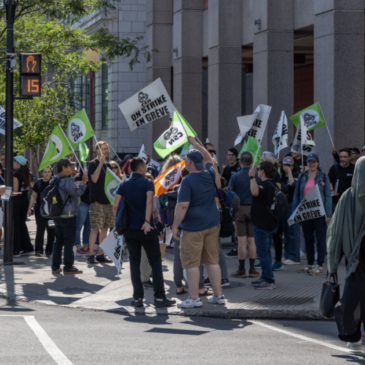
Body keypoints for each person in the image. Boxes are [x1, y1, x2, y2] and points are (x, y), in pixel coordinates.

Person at [113, 157, 175, 308]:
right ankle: (159, 297)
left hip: (129, 229)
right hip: (145, 228)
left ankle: (137, 298)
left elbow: (115, 206)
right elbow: (149, 202)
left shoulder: (124, 184)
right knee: (155, 261)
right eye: (145, 166)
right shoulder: (147, 182)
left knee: (134, 262)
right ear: (140, 168)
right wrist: (147, 222)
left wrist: (120, 225)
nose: (146, 168)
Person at [173, 136, 225, 308]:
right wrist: (196, 144)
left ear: (189, 162)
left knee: (192, 263)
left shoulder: (187, 180)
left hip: (193, 227)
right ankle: (218, 296)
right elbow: (209, 159)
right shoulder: (210, 173)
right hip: (212, 223)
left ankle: (194, 299)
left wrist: (175, 226)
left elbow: (182, 206)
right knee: (212, 261)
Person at [327, 157, 365, 351]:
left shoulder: (348, 197)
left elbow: (335, 235)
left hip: (355, 260)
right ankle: (355, 336)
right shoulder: (348, 197)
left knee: (354, 297)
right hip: (357, 259)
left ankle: (354, 336)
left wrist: (332, 262)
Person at [293, 153, 332, 276]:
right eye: (309, 162)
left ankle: (319, 265)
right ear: (307, 163)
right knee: (308, 239)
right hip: (305, 213)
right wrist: (296, 212)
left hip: (319, 213)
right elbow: (297, 196)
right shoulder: (301, 176)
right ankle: (310, 264)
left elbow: (327, 197)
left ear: (318, 163)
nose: (311, 164)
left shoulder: (324, 177)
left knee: (320, 240)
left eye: (314, 161)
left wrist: (328, 214)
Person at [50, 158, 87, 274]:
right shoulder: (67, 180)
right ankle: (68, 266)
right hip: (68, 214)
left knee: (58, 241)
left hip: (57, 213)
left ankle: (55, 267)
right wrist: (83, 183)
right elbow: (76, 194)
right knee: (69, 242)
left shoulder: (54, 179)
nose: (73, 168)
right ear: (64, 168)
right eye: (70, 166)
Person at [228, 152, 260, 279]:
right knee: (252, 240)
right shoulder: (256, 175)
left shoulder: (235, 176)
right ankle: (252, 269)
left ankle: (241, 270)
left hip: (239, 209)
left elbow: (230, 194)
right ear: (251, 163)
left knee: (241, 241)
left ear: (240, 162)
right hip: (254, 209)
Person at [249, 161, 279, 290]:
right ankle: (266, 276)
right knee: (265, 252)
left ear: (263, 171)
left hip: (262, 224)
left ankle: (269, 280)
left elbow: (255, 192)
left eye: (259, 169)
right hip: (269, 223)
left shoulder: (265, 185)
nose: (257, 171)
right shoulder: (273, 185)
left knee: (263, 253)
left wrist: (251, 177)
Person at [87, 141, 113, 264]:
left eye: (107, 148)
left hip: (108, 201)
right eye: (104, 148)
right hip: (97, 201)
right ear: (98, 151)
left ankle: (101, 254)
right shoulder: (92, 164)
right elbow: (94, 179)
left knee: (105, 229)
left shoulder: (108, 165)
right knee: (95, 229)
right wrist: (101, 163)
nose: (106, 150)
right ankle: (91, 254)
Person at [27, 166, 54, 257]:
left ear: (51, 172)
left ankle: (49, 250)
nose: (47, 173)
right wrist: (29, 208)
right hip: (40, 211)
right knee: (40, 229)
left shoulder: (54, 183)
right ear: (42, 173)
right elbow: (33, 196)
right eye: (45, 172)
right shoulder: (38, 183)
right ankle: (38, 250)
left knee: (51, 230)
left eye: (48, 172)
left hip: (52, 212)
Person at [280, 156, 301, 265]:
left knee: (293, 231)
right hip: (284, 205)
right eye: (285, 165)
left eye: (289, 165)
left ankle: (295, 257)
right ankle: (288, 254)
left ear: (293, 166)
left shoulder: (297, 175)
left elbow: (293, 184)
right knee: (286, 231)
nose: (286, 167)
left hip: (293, 204)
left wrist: (289, 172)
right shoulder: (281, 176)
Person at [13, 156, 34, 257]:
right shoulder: (27, 174)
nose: (13, 163)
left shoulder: (16, 174)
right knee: (22, 224)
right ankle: (27, 247)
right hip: (25, 200)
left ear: (18, 163)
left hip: (17, 201)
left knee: (16, 225)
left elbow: (16, 191)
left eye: (14, 161)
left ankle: (16, 249)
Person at [328, 148, 354, 213]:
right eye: (341, 157)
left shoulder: (354, 168)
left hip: (349, 202)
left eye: (345, 157)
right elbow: (329, 180)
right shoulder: (334, 168)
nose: (342, 159)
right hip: (335, 202)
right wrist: (332, 191)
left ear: (350, 157)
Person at [74, 167, 91, 255]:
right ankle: (78, 247)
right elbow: (78, 191)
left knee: (88, 227)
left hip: (90, 205)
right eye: (85, 169)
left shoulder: (92, 178)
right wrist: (84, 181)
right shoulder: (78, 178)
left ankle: (86, 246)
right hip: (82, 204)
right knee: (78, 226)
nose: (87, 171)